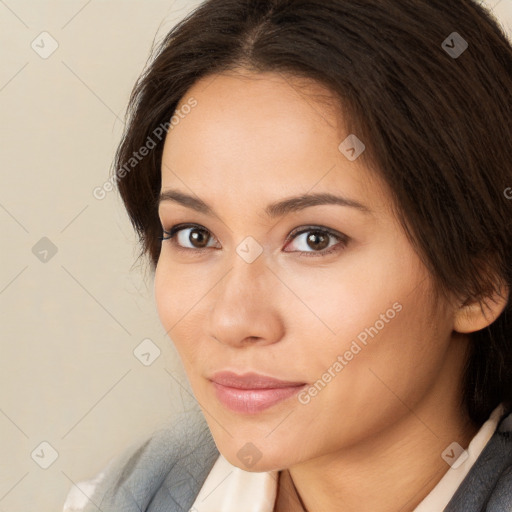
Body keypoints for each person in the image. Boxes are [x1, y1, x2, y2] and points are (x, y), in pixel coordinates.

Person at [63, 0, 512, 510]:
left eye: (314, 239)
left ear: (479, 281)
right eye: (194, 235)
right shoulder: (129, 493)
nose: (233, 319)